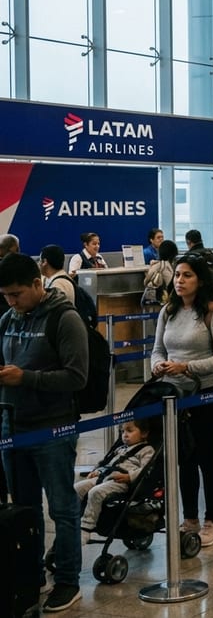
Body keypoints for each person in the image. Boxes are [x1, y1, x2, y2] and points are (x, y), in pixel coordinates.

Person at [0, 253, 88, 612]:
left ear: (38, 284)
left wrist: (26, 378)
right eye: (6, 295)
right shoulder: (8, 319)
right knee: (24, 507)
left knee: (62, 508)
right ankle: (29, 574)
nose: (12, 302)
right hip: (13, 426)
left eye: (17, 294)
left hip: (53, 426)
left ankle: (68, 579)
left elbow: (76, 377)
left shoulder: (65, 319)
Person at [150, 252, 213, 548]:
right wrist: (158, 366)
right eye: (177, 275)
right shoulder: (168, 311)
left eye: (187, 275)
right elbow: (158, 349)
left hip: (206, 393)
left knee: (206, 456)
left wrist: (187, 367)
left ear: (200, 280)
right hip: (175, 395)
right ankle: (190, 518)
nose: (180, 281)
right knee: (184, 458)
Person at [76, 420, 156, 541]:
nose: (125, 435)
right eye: (122, 431)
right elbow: (108, 463)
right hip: (105, 476)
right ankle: (74, 520)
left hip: (121, 481)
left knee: (95, 492)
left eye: (129, 431)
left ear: (144, 433)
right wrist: (98, 471)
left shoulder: (147, 450)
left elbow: (146, 469)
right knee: (77, 489)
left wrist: (129, 476)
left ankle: (86, 527)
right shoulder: (120, 449)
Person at [142, 239, 178, 306]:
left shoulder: (157, 265)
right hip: (172, 299)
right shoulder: (176, 265)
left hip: (158, 300)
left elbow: (145, 282)